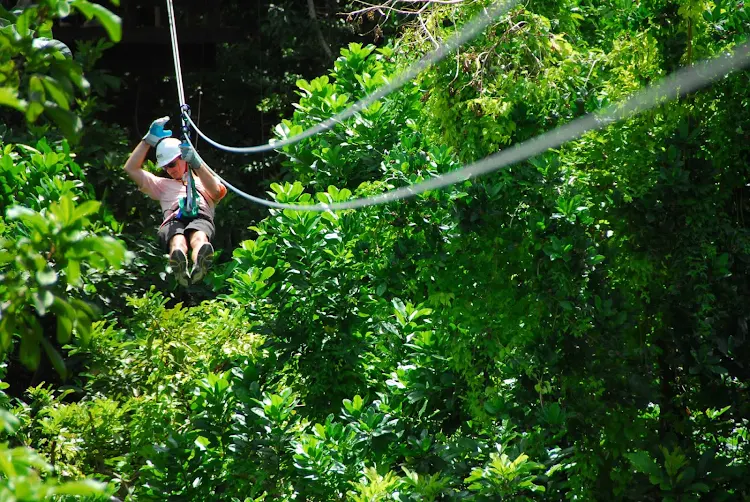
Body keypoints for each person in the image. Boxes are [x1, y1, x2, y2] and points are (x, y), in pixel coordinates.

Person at [123, 117, 227, 286]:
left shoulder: (202, 180)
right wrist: (147, 141)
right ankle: (179, 263)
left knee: (199, 238)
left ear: (183, 158)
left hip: (200, 213)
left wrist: (197, 164)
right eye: (166, 167)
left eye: (172, 164)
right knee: (177, 241)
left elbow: (216, 191)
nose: (169, 170)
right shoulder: (161, 185)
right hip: (173, 217)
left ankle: (200, 261)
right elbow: (130, 169)